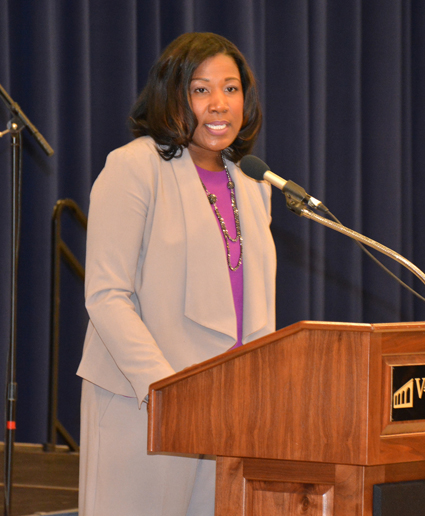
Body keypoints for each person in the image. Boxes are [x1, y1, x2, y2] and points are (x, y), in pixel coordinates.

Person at [77, 32, 276, 516]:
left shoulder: (252, 182)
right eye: (201, 89)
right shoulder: (133, 168)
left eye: (231, 89)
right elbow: (106, 295)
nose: (219, 104)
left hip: (228, 412)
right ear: (173, 96)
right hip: (142, 404)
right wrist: (167, 392)